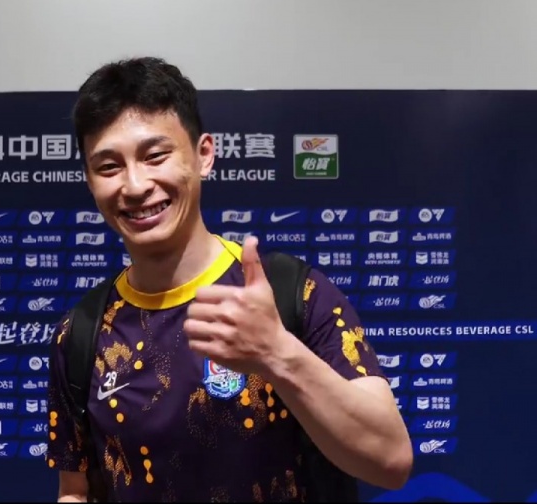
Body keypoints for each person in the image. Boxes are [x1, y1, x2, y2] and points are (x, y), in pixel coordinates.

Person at [45, 56, 413, 502]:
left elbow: (391, 461)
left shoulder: (294, 294)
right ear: (89, 181)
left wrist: (277, 353)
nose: (136, 185)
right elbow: (76, 490)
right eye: (109, 167)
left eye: (155, 156)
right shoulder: (80, 335)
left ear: (204, 155)